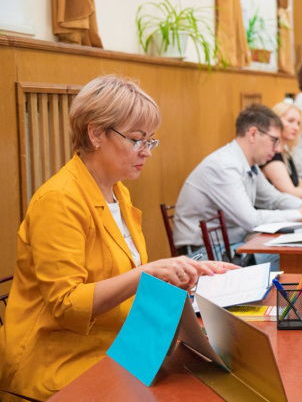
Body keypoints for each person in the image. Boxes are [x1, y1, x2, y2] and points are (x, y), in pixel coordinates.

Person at [0, 76, 239, 402]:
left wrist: (182, 273)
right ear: (96, 134)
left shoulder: (119, 193)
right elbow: (67, 305)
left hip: (120, 345)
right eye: (137, 140)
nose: (147, 152)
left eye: (150, 141)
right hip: (60, 362)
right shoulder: (60, 199)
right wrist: (148, 273)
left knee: (221, 378)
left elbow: (125, 283)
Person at [173, 104, 302, 271]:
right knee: (295, 259)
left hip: (231, 246)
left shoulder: (249, 165)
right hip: (205, 254)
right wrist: (301, 214)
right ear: (253, 134)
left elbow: (275, 199)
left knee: (299, 255)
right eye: (274, 140)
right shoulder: (225, 166)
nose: (278, 149)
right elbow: (251, 220)